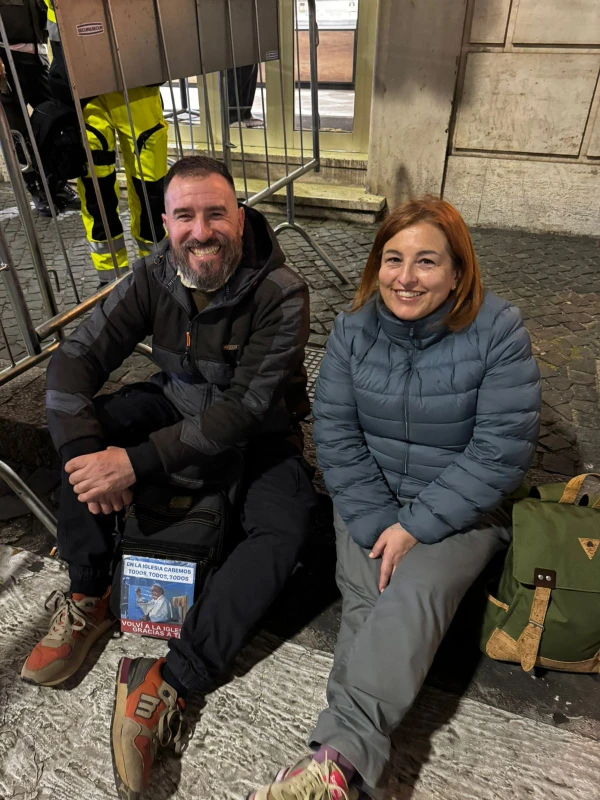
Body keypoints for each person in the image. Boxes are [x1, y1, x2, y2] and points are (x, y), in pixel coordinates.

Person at [20, 155, 317, 798]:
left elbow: (243, 412)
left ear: (240, 215)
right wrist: (92, 457)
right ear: (165, 221)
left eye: (216, 213)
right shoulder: (153, 273)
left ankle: (167, 682)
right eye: (185, 215)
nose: (201, 230)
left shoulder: (282, 292)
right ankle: (90, 593)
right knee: (85, 429)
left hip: (260, 436)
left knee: (285, 528)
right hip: (176, 404)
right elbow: (73, 362)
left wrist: (134, 462)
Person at [247, 197, 541, 800]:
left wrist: (413, 528)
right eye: (393, 258)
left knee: (411, 594)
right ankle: (345, 777)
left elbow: (499, 453)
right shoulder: (353, 330)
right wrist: (380, 521)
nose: (405, 277)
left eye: (426, 261)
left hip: (460, 510)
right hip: (369, 504)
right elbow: (333, 432)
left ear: (458, 271)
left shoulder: (499, 331)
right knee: (365, 599)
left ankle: (331, 764)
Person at [44, 0, 169, 285]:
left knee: (150, 188)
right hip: (87, 91)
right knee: (96, 191)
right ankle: (111, 280)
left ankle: (157, 270)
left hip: (137, 83)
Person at [0, 0, 79, 215]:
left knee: (55, 122)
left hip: (37, 58)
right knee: (18, 133)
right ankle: (37, 190)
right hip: (6, 62)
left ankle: (56, 184)